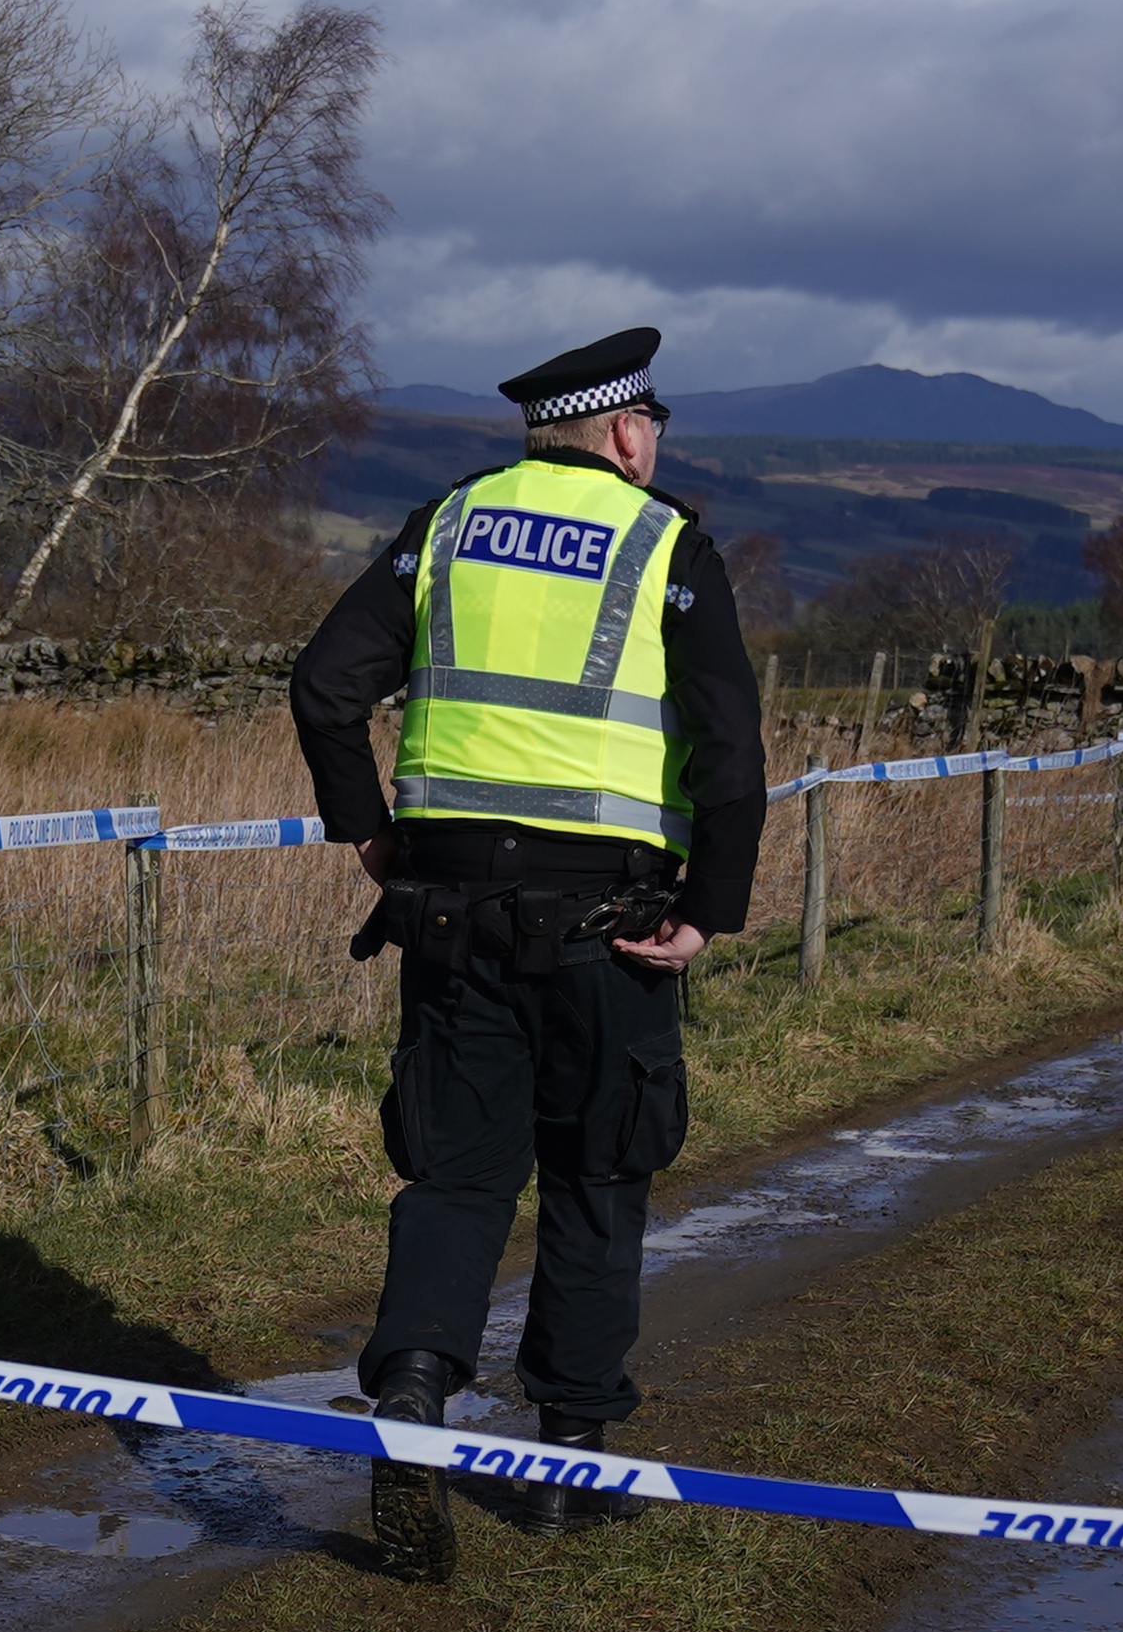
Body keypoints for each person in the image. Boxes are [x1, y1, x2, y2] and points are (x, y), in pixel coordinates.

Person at [287, 324, 767, 1528]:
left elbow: (323, 683)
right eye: (653, 425)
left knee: (456, 1174)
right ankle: (566, 1469)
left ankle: (412, 1383)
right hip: (611, 926)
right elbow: (733, 753)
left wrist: (371, 832)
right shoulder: (667, 543)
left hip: (445, 915)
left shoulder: (445, 526)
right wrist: (710, 910)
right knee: (599, 1173)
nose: (655, 444)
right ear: (624, 431)